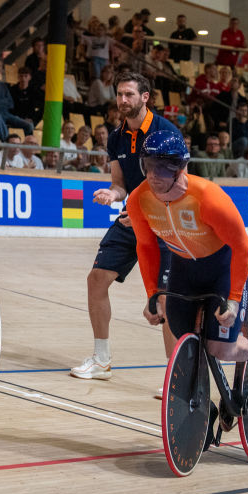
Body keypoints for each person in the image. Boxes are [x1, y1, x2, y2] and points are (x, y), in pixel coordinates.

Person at [130, 130, 248, 419]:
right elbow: (146, 247)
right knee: (181, 339)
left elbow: (241, 247)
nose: (154, 175)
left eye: (162, 167)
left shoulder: (208, 198)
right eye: (148, 165)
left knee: (220, 347)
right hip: (185, 269)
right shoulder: (138, 200)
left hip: (222, 268)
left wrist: (234, 299)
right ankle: (201, 408)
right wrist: (151, 293)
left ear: (180, 167)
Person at [71, 72, 181, 380]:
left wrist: (141, 209)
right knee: (96, 279)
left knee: (166, 298)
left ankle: (176, 376)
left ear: (145, 97)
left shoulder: (165, 132)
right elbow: (120, 184)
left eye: (129, 94)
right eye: (119, 94)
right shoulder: (117, 136)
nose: (122, 100)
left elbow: (176, 186)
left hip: (163, 221)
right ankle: (101, 360)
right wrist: (113, 193)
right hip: (130, 218)